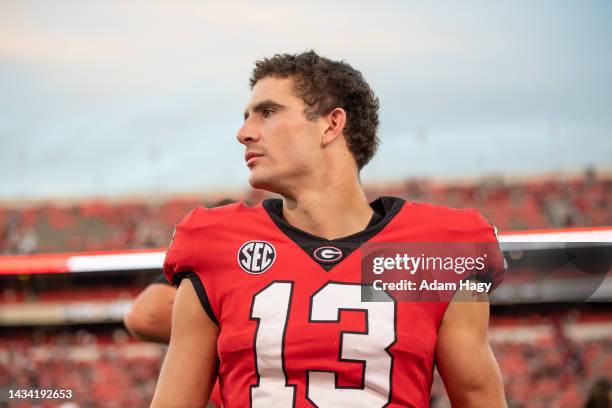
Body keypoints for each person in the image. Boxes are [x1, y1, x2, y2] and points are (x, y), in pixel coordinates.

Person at [151, 51, 507, 407]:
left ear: (331, 124)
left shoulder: (439, 249)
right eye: (247, 117)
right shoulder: (216, 242)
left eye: (268, 112)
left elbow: (479, 397)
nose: (244, 133)